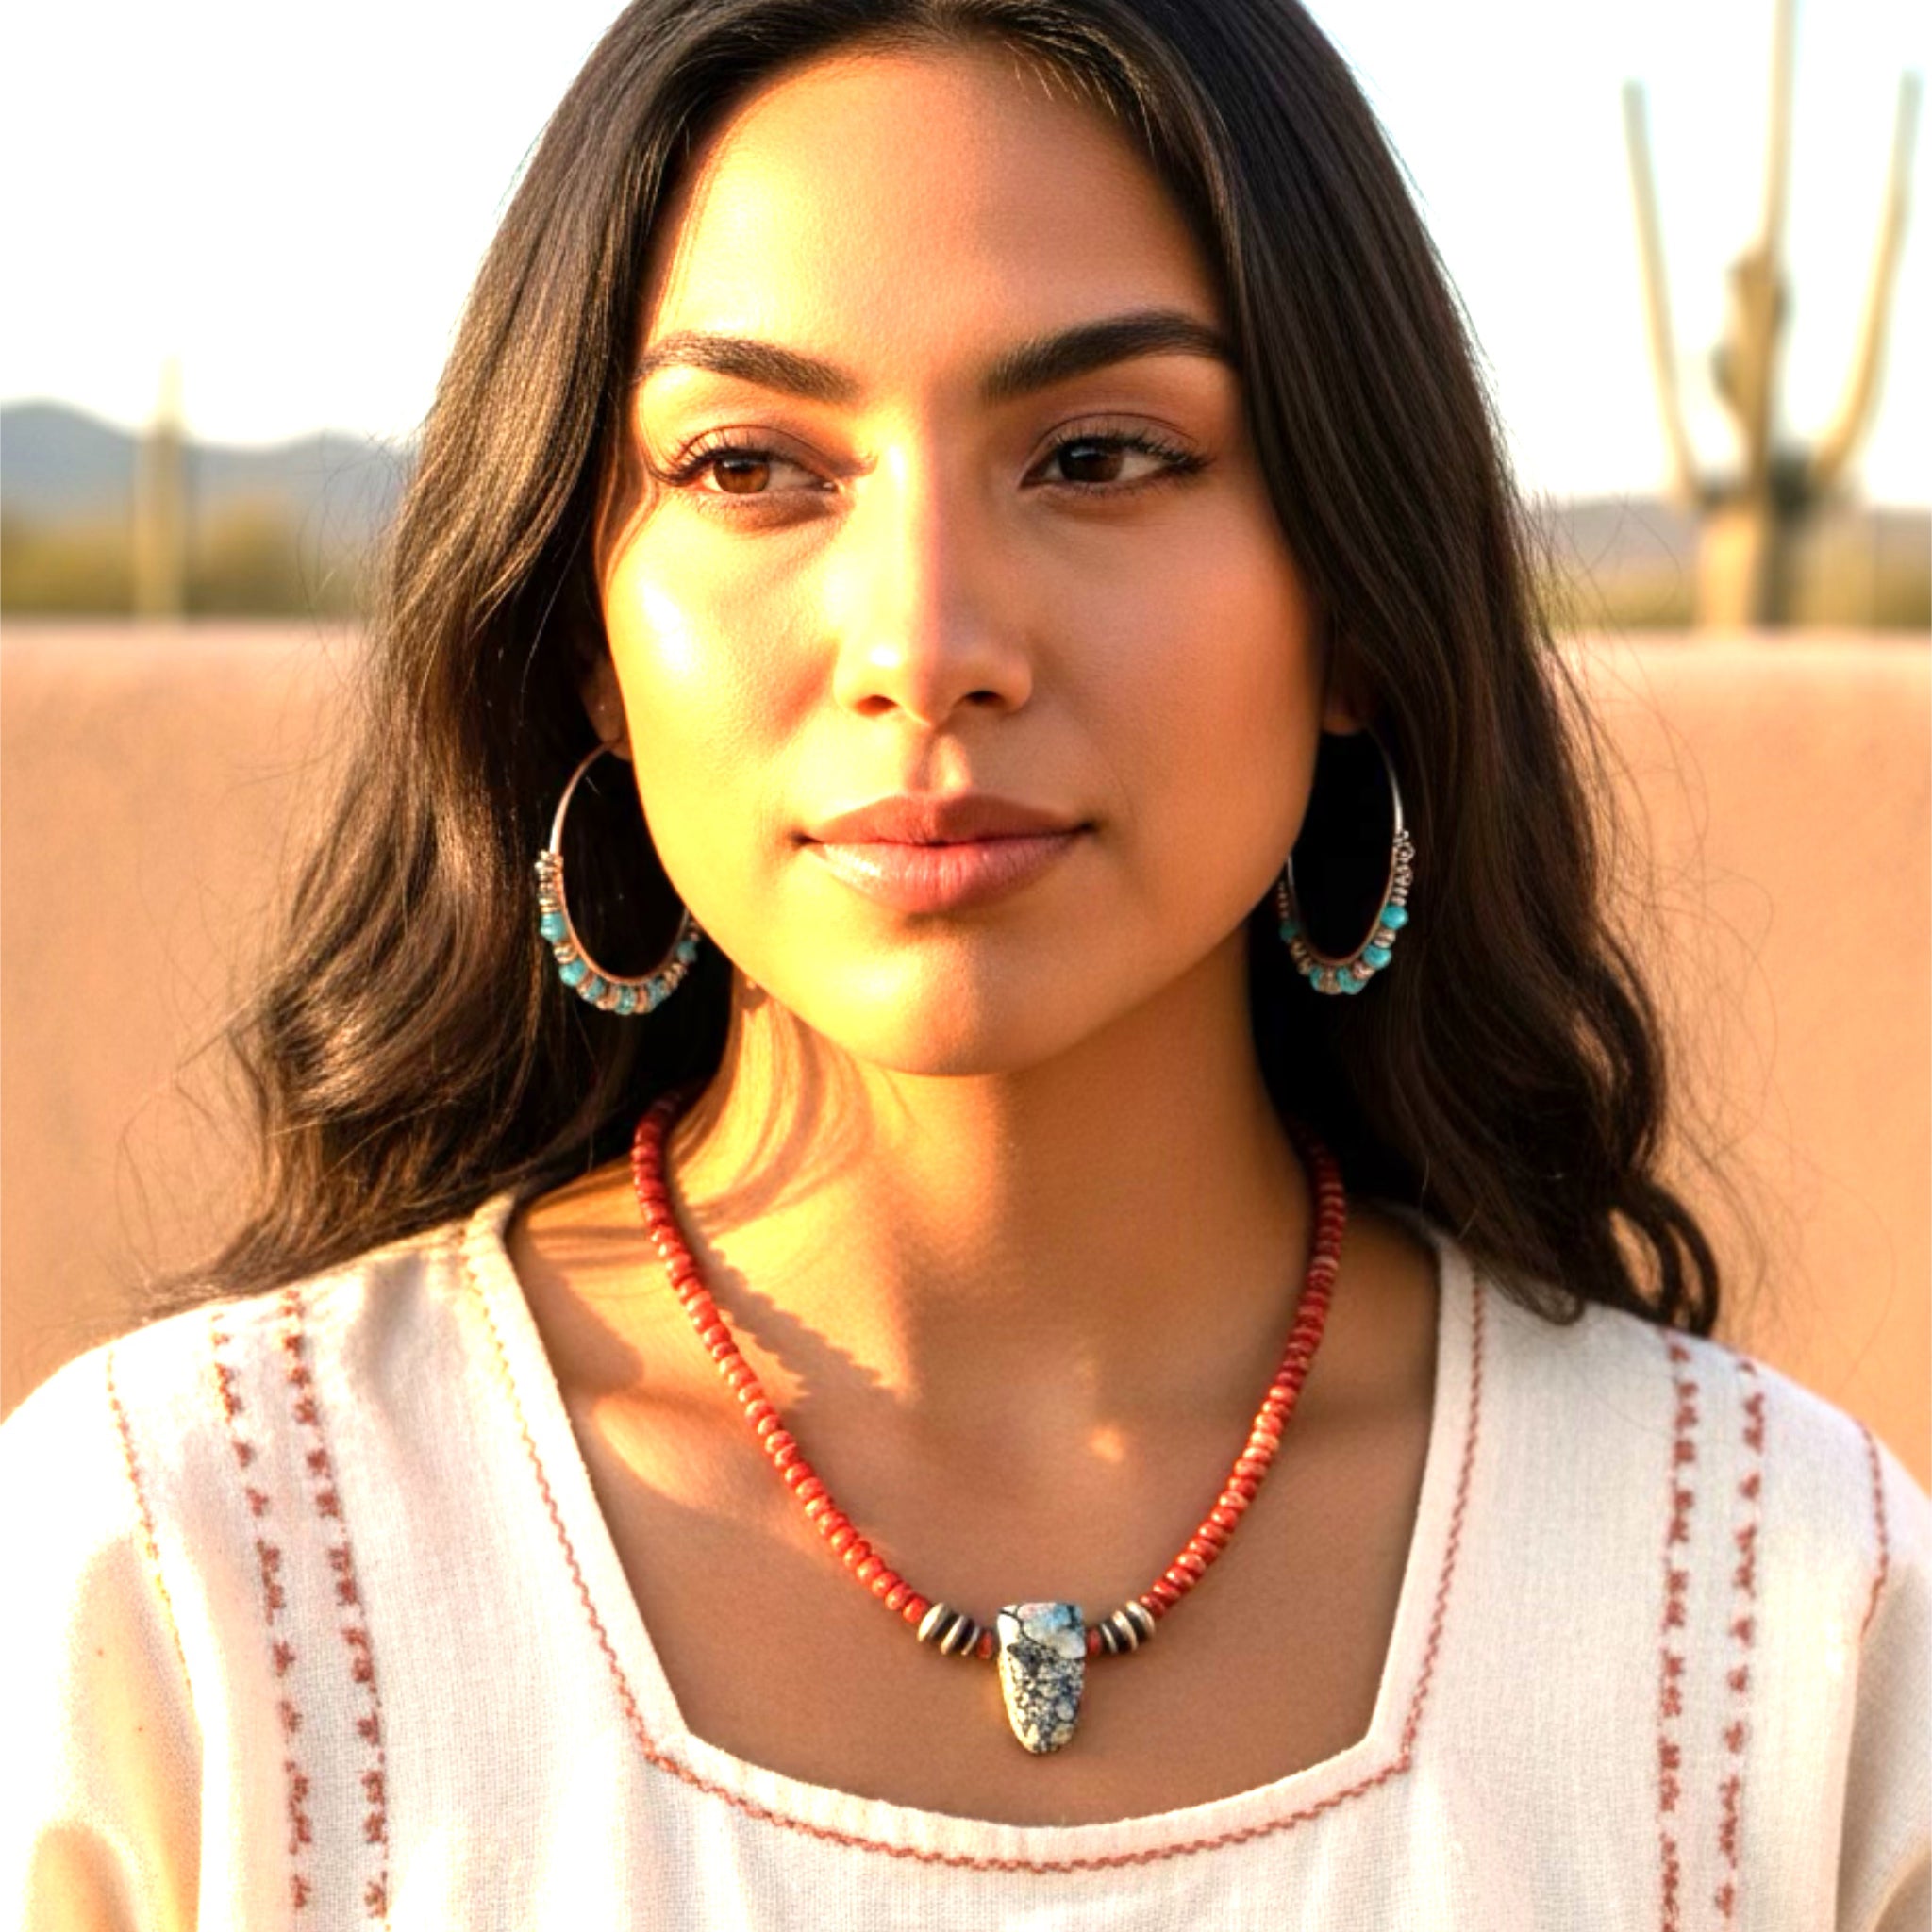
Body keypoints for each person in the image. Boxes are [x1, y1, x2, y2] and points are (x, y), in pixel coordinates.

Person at [6, 0, 1925, 1924]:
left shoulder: (1781, 1616)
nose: (924, 641)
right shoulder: (180, 1584)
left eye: (1098, 453)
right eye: (752, 465)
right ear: (584, 630)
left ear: (1355, 597)